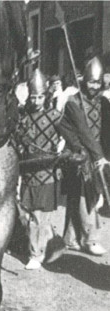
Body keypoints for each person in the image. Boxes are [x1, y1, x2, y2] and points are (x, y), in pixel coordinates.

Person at [15, 69, 67, 270]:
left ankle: (36, 254)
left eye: (40, 97)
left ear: (46, 96)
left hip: (46, 172)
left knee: (38, 216)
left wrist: (64, 146)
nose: (36, 101)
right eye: (33, 97)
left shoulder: (55, 116)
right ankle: (50, 242)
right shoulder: (24, 117)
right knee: (30, 215)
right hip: (28, 171)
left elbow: (69, 134)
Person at [57, 56, 109, 256]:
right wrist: (96, 156)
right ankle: (90, 238)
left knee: (80, 196)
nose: (94, 86)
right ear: (83, 80)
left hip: (95, 153)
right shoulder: (74, 102)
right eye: (91, 81)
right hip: (80, 154)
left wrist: (104, 154)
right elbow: (81, 131)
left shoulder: (102, 101)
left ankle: (70, 238)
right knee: (85, 195)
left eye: (97, 82)